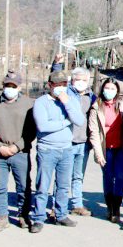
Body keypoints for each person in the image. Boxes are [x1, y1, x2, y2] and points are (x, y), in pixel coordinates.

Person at [31, 70, 86, 234]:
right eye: (57, 85)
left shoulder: (71, 100)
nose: (61, 88)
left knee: (63, 186)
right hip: (47, 149)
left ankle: (61, 215)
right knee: (42, 186)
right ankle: (38, 217)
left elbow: (79, 120)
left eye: (64, 84)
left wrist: (67, 103)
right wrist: (64, 122)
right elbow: (43, 126)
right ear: (50, 85)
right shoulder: (41, 102)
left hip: (66, 149)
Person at [0, 71, 35, 232]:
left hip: (20, 152)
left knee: (24, 186)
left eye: (13, 86)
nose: (10, 89)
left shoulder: (29, 104)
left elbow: (32, 130)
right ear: (3, 86)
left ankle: (23, 214)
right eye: (7, 86)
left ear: (19, 87)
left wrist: (16, 146)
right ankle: (1, 217)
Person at [88, 78, 123, 224]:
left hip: (122, 148)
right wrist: (98, 153)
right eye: (107, 88)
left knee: (120, 177)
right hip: (105, 147)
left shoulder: (122, 104)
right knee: (108, 177)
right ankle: (109, 206)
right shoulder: (96, 106)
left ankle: (116, 208)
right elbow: (94, 132)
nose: (109, 91)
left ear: (117, 91)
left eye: (113, 89)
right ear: (102, 89)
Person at [67, 67, 96, 217]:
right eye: (77, 79)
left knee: (78, 176)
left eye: (84, 80)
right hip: (67, 142)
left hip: (83, 143)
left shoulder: (91, 97)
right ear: (71, 80)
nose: (80, 83)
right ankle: (57, 204)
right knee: (63, 175)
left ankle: (77, 204)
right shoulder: (65, 94)